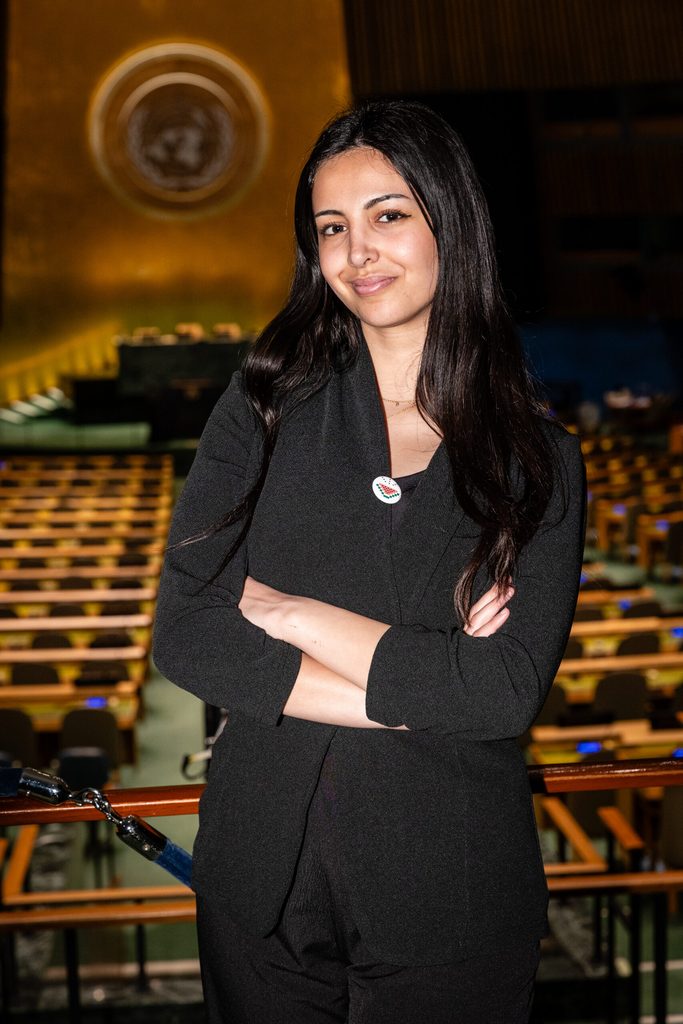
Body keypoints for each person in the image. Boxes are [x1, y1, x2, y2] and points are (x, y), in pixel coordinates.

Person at [152, 99, 586, 1024]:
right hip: (260, 878)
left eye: (388, 215)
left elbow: (504, 694)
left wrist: (291, 614)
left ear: (449, 221)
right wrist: (428, 690)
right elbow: (186, 634)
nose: (357, 253)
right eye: (331, 228)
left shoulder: (537, 458)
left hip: (449, 880)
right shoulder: (263, 406)